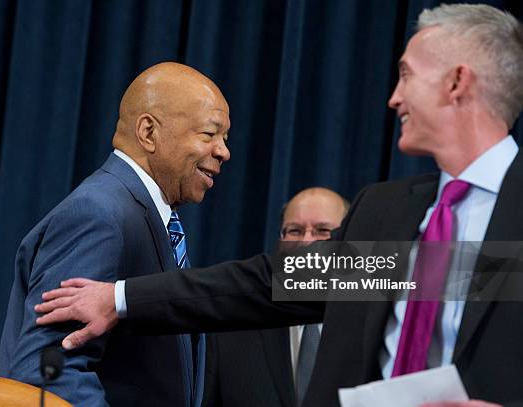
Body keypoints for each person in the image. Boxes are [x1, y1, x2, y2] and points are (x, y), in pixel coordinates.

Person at [36, 4, 523, 407]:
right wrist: (120, 299)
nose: (394, 98)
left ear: (457, 83)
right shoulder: (388, 212)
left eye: (406, 76)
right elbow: (267, 283)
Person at [0, 62, 231, 407]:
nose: (223, 151)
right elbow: (49, 370)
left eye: (224, 138)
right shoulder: (99, 213)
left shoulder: (148, 216)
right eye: (209, 134)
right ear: (148, 132)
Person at [203, 188, 349, 407]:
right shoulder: (232, 329)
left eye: (322, 230)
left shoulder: (370, 324)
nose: (307, 242)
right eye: (294, 231)